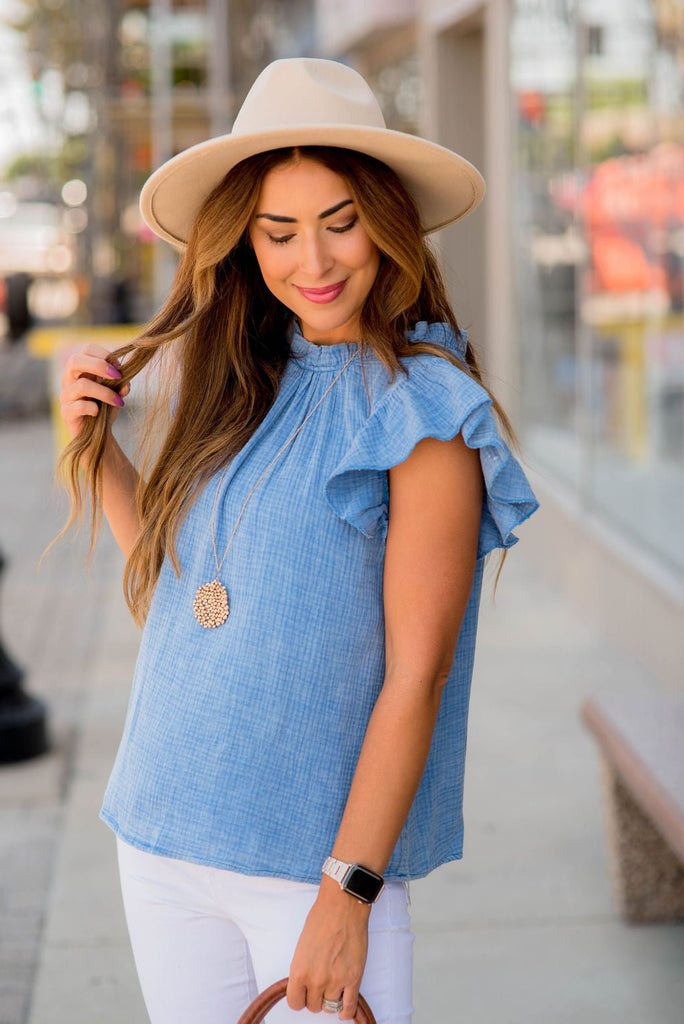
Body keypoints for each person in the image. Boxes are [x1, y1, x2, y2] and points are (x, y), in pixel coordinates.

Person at [56, 58, 539, 1024]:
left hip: (311, 872)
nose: (311, 261)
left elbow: (419, 676)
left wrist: (348, 893)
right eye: (279, 232)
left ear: (387, 223)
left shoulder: (423, 410)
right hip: (160, 833)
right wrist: (96, 448)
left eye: (339, 223)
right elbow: (185, 600)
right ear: (246, 240)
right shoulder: (242, 373)